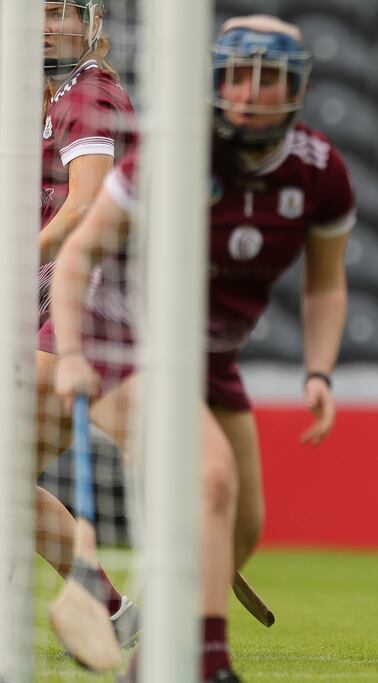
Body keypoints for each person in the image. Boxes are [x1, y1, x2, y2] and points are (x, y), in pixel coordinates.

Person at [44, 14, 355, 681]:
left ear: (295, 87)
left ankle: (148, 652)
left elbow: (326, 286)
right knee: (209, 475)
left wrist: (320, 369)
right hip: (125, 342)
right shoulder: (171, 154)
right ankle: (208, 662)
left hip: (208, 357)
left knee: (241, 529)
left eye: (269, 77)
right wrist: (71, 352)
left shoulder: (321, 171)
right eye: (239, 74)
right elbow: (78, 259)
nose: (251, 91)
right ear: (217, 80)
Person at [35, 0, 140, 646]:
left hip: (90, 310)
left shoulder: (89, 95)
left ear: (90, 22)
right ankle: (118, 610)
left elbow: (85, 205)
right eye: (34, 13)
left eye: (57, 12)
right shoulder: (48, 94)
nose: (45, 26)